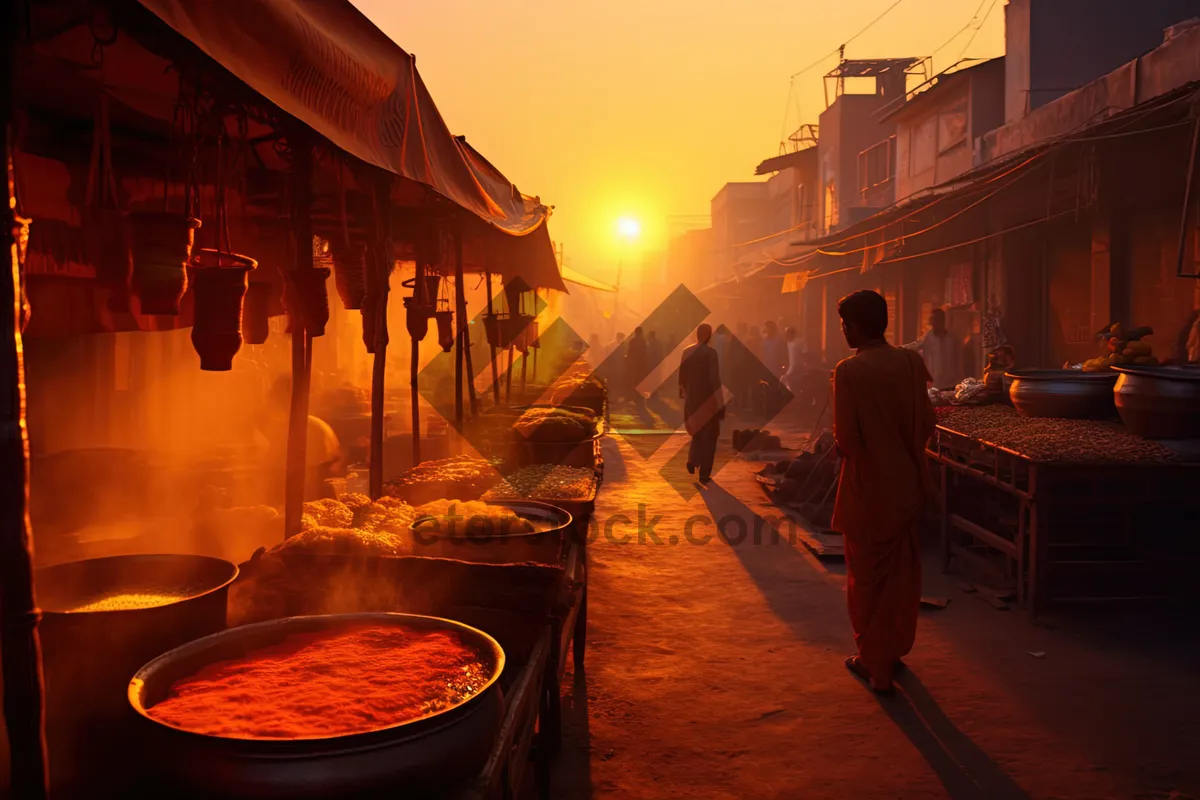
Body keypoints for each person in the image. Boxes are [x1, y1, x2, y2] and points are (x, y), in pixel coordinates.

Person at [831, 290, 936, 695]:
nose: (843, 331)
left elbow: (847, 440)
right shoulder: (911, 362)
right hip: (907, 485)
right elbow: (926, 421)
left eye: (844, 324)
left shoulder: (849, 371)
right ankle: (891, 651)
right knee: (900, 577)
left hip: (868, 489)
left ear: (855, 326)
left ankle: (876, 666)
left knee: (867, 580)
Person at [255, 376, 344, 502]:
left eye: (274, 396)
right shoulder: (313, 425)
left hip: (310, 503)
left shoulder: (305, 427)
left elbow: (307, 479)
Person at [679, 323, 725, 483]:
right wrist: (721, 402)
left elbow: (682, 376)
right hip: (708, 399)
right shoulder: (711, 354)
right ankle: (704, 473)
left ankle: (692, 460)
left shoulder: (687, 352)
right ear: (709, 336)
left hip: (692, 399)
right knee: (710, 436)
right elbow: (714, 379)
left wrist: (684, 393)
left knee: (697, 433)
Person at [906, 307, 963, 390]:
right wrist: (899, 349)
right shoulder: (928, 337)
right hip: (934, 382)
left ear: (942, 320)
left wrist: (959, 378)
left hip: (951, 381)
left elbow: (958, 359)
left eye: (936, 319)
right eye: (933, 319)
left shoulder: (952, 338)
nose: (933, 322)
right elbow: (915, 346)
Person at [782, 326, 807, 394]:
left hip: (798, 370)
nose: (786, 336)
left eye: (787, 334)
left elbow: (794, 362)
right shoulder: (789, 343)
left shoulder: (797, 344)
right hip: (793, 369)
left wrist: (787, 374)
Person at [646, 331, 664, 397]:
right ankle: (654, 392)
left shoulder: (651, 345)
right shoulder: (658, 344)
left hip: (652, 364)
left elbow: (648, 355)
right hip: (656, 364)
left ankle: (653, 392)